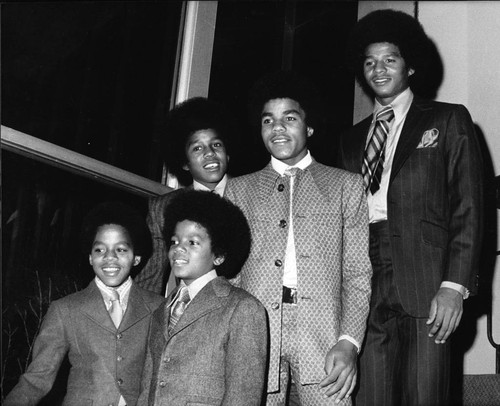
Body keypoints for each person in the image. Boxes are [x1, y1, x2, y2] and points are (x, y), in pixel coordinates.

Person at [339, 9, 483, 406]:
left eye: (390, 59)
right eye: (370, 62)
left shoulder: (446, 118)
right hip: (364, 279)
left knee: (426, 396)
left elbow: (468, 208)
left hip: (427, 277)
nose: (379, 69)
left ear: (410, 66)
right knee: (371, 397)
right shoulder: (350, 141)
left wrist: (454, 286)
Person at [224, 70, 372, 406]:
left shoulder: (345, 187)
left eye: (289, 118)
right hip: (256, 333)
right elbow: (229, 275)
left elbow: (357, 273)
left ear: (309, 126)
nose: (277, 128)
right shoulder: (238, 190)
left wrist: (349, 341)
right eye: (268, 121)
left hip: (324, 333)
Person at [4, 202, 164, 406]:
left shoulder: (158, 307)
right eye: (100, 250)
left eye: (121, 249)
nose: (110, 258)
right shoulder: (65, 310)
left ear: (136, 258)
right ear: (90, 258)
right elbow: (37, 378)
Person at [138, 190, 268, 405]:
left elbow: (244, 394)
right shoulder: (161, 310)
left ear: (219, 255)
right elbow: (147, 389)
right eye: (174, 241)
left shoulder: (242, 308)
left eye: (192, 242)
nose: (178, 249)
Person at [135, 97, 232, 295]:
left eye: (217, 145)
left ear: (228, 153)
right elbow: (149, 283)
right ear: (184, 163)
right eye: (197, 148)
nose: (210, 154)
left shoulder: (253, 196)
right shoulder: (163, 208)